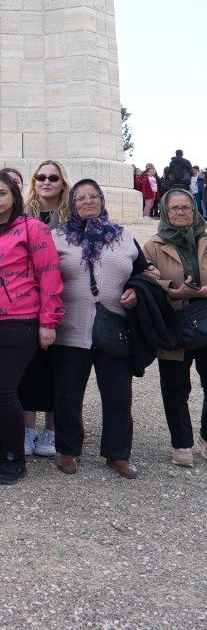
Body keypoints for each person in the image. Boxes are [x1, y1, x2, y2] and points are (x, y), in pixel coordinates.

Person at [0, 170, 63, 485]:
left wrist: (49, 322)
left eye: (1, 194)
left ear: (13, 196)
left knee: (3, 390)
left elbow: (49, 275)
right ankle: (1, 447)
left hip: (17, 321)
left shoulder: (33, 229)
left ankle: (15, 457)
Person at [51, 180, 145, 478]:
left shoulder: (124, 236)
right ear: (72, 203)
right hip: (69, 328)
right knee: (67, 394)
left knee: (118, 395)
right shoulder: (58, 238)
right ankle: (68, 450)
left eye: (94, 197)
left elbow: (144, 273)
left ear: (102, 201)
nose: (88, 201)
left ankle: (118, 454)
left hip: (113, 329)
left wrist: (136, 290)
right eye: (81, 198)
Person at [142, 189, 207, 467]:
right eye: (174, 208)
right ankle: (181, 442)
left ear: (195, 210)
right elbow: (143, 283)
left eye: (186, 208)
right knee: (175, 386)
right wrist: (172, 290)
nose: (180, 212)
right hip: (173, 325)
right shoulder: (153, 246)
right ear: (166, 213)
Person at [21, 161, 71, 458]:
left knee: (58, 368)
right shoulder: (22, 214)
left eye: (54, 177)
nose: (47, 182)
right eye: (41, 177)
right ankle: (27, 429)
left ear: (62, 183)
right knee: (28, 367)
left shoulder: (72, 217)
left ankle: (52, 430)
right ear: (34, 181)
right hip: (27, 299)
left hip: (63, 299)